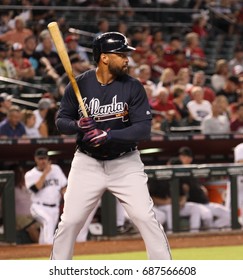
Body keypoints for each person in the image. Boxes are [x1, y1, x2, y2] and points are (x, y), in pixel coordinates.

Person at [50, 32, 171, 260]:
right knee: (70, 221)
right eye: (122, 54)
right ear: (104, 58)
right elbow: (60, 122)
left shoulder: (133, 87)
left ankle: (164, 270)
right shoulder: (79, 84)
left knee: (145, 218)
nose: (127, 59)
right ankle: (57, 269)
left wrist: (108, 135)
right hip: (88, 162)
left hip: (125, 162)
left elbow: (143, 129)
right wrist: (77, 124)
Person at [24, 147, 67, 244]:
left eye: (44, 158)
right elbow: (35, 189)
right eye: (40, 158)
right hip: (39, 207)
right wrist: (45, 173)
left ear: (48, 159)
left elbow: (63, 187)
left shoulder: (56, 169)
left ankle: (42, 253)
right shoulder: (30, 174)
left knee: (46, 230)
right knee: (48, 222)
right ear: (35, 159)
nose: (43, 161)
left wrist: (67, 197)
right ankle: (49, 248)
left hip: (55, 208)